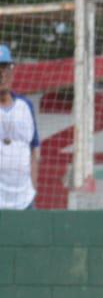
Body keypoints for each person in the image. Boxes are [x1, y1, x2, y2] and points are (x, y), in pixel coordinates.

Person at [0, 45, 41, 210]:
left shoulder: (26, 106)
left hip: (25, 200)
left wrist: (33, 187)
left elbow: (34, 149)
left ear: (12, 71)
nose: (1, 74)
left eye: (5, 68)